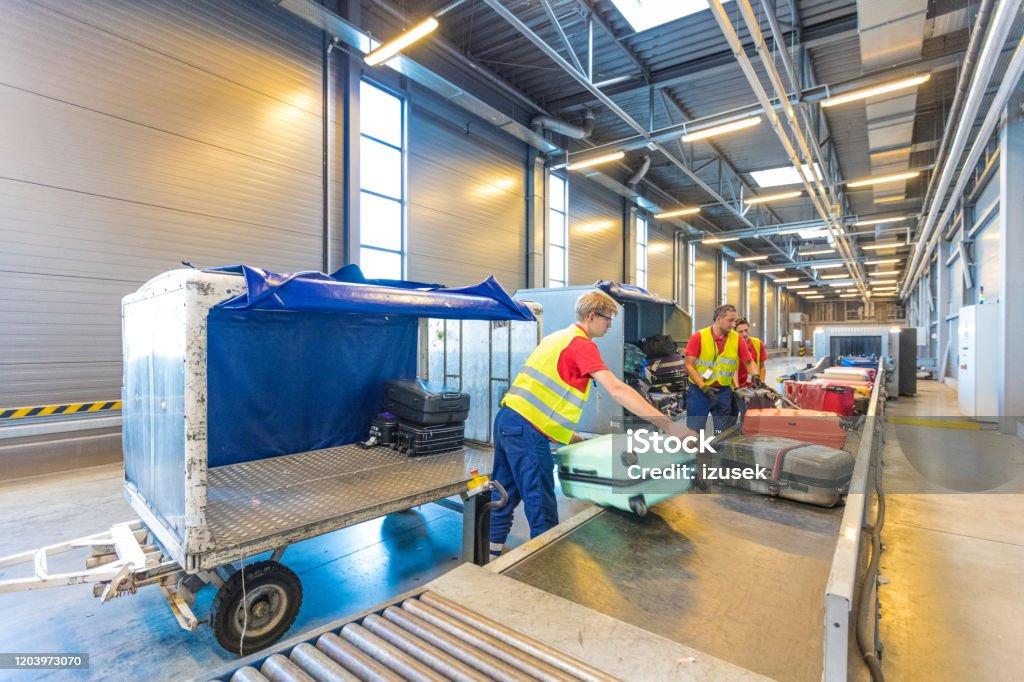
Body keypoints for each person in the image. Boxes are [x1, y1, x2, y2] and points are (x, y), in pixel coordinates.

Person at [489, 290, 693, 557]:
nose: (610, 325)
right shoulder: (581, 344)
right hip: (526, 430)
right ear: (593, 316)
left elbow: (545, 400)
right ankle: (545, 563)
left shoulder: (557, 338)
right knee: (540, 500)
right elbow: (617, 389)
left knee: (504, 489)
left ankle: (490, 550)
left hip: (508, 421)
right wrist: (669, 426)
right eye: (608, 319)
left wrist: (575, 439)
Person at [683, 304, 760, 433]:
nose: (733, 325)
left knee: (723, 433)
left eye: (735, 321)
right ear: (719, 318)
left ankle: (718, 452)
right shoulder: (699, 337)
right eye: (730, 321)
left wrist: (755, 375)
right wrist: (703, 387)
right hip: (699, 391)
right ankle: (693, 449)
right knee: (694, 434)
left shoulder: (737, 339)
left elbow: (748, 362)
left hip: (723, 391)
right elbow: (688, 365)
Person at [733, 317, 768, 388]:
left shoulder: (758, 343)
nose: (744, 334)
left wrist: (761, 383)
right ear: (734, 333)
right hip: (735, 386)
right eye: (740, 331)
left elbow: (762, 367)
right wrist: (737, 388)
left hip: (753, 385)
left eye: (746, 330)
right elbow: (732, 370)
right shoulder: (731, 345)